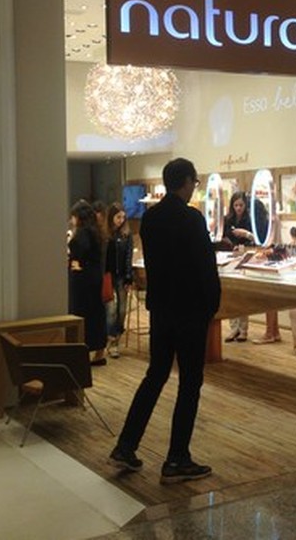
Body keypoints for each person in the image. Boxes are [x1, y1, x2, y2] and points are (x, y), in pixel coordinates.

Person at [109, 157, 221, 483]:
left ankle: (126, 445)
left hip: (161, 311)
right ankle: (177, 458)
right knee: (190, 382)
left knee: (155, 375)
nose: (194, 187)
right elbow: (204, 266)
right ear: (185, 182)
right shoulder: (192, 218)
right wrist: (211, 306)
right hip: (190, 312)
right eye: (194, 182)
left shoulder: (152, 219)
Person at [68, 200, 108, 365]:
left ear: (78, 217)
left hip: (84, 281)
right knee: (97, 314)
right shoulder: (96, 231)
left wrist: (71, 241)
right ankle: (99, 352)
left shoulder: (83, 233)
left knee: (82, 315)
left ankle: (81, 351)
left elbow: (78, 251)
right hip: (95, 277)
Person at [220, 191, 256, 342]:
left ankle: (243, 330)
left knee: (242, 295)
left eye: (241, 205)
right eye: (236, 205)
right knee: (231, 294)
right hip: (230, 258)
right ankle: (233, 328)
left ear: (245, 205)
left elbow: (257, 239)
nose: (238, 208)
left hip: (245, 258)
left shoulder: (250, 220)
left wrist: (246, 234)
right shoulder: (228, 219)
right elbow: (223, 236)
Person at [104, 202, 134, 359]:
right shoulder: (106, 235)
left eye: (123, 217)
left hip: (122, 276)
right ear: (111, 217)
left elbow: (128, 256)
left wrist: (129, 276)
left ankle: (116, 337)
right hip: (108, 276)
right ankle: (111, 340)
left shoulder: (126, 235)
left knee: (122, 310)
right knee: (111, 310)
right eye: (118, 217)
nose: (121, 220)